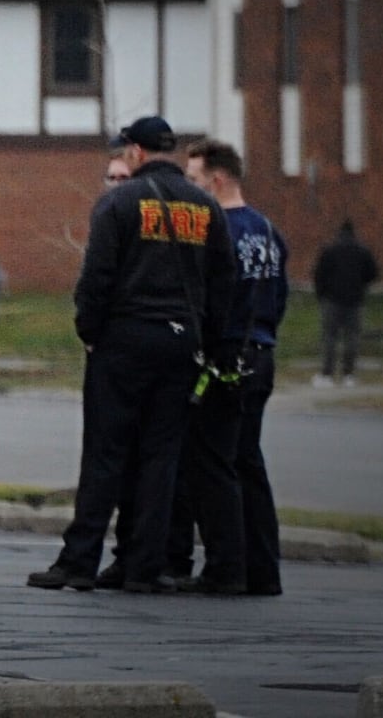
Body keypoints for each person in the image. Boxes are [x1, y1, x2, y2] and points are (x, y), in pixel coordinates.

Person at [28, 116, 236, 594]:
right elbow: (223, 284)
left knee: (105, 454)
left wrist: (90, 332)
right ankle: (143, 565)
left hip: (124, 340)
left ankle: (79, 560)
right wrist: (212, 341)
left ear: (136, 153)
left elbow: (96, 278)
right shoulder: (206, 207)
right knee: (161, 457)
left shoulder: (119, 203)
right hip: (183, 343)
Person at [168, 138, 288, 596]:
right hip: (261, 351)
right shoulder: (267, 230)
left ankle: (225, 566)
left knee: (213, 464)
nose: (192, 191)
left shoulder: (218, 229)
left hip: (227, 359)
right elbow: (278, 298)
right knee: (248, 462)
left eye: (196, 181)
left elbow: (210, 296)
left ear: (216, 180)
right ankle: (263, 569)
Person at [312, 221, 380, 389]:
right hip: (355, 301)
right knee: (352, 338)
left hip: (331, 300)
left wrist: (322, 294)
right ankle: (349, 374)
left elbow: (318, 274)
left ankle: (327, 374)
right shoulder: (363, 251)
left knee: (329, 338)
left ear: (339, 233)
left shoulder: (329, 250)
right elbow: (373, 273)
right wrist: (361, 286)